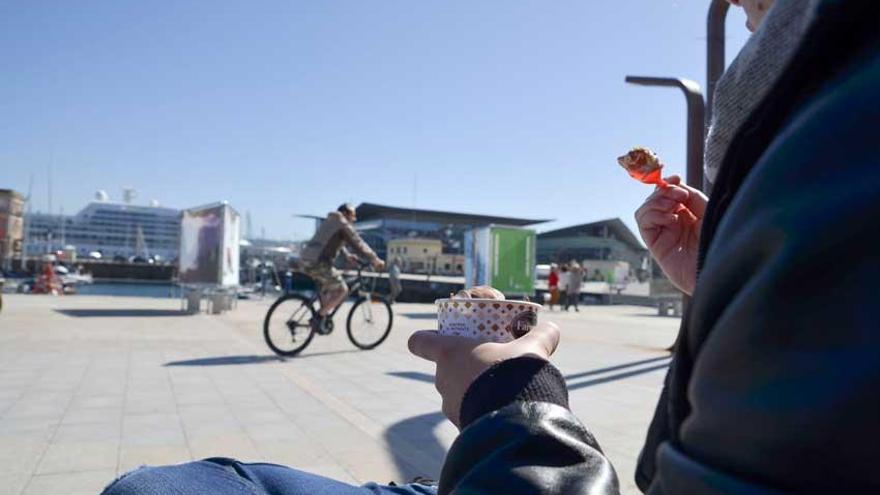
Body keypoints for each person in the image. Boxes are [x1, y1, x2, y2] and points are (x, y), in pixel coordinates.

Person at [102, 0, 880, 493]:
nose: (743, 21)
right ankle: (329, 307)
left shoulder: (843, 129)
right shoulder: (835, 151)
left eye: (755, 18)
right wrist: (720, 283)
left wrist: (512, 405)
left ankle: (329, 309)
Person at [299, 204, 385, 332]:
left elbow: (334, 241)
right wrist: (375, 259)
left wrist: (347, 255)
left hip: (305, 260)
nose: (354, 219)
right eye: (353, 215)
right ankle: (318, 317)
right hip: (319, 263)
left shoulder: (330, 221)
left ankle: (322, 317)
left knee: (329, 286)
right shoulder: (342, 223)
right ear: (345, 213)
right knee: (342, 290)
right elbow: (358, 242)